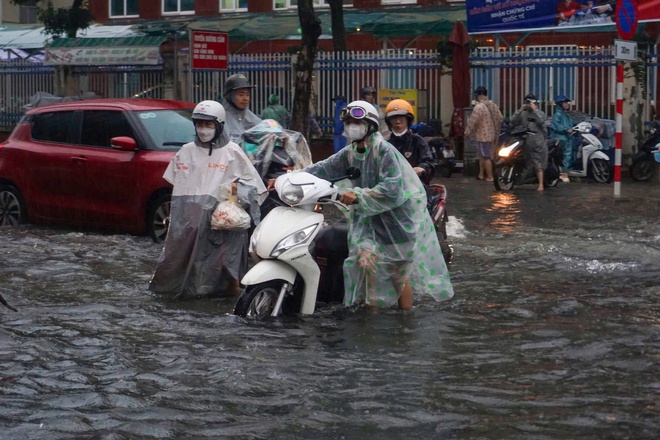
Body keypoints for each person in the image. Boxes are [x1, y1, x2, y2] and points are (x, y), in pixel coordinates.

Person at [270, 100, 454, 310]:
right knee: (364, 265)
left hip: (395, 222)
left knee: (397, 275)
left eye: (356, 121)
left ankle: (406, 322)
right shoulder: (350, 152)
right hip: (366, 221)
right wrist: (288, 178)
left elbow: (392, 188)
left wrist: (358, 195)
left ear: (370, 125)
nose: (351, 126)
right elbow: (323, 168)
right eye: (348, 122)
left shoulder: (385, 151)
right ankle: (369, 316)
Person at [149, 100, 267, 298]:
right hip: (189, 220)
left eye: (208, 125)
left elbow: (255, 187)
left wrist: (236, 193)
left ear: (219, 125)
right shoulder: (186, 151)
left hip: (222, 220)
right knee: (182, 257)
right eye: (199, 124)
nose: (203, 130)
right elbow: (175, 185)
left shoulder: (232, 152)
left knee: (226, 262)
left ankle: (228, 291)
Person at [383, 98, 435, 186]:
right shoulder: (385, 144)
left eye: (401, 118)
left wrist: (422, 168)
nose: (398, 121)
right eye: (394, 118)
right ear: (389, 122)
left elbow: (429, 162)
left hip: (416, 187)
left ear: (408, 120)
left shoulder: (417, 141)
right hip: (391, 187)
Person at [464, 86, 503, 182]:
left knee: (486, 156)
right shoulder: (493, 105)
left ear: (479, 95)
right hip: (493, 136)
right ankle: (481, 174)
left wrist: (467, 132)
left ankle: (490, 177)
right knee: (482, 156)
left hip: (483, 136)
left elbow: (473, 121)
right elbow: (501, 118)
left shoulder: (479, 107)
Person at [511, 93, 549, 191]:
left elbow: (541, 121)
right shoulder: (523, 113)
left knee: (537, 162)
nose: (528, 104)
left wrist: (534, 110)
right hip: (525, 141)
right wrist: (519, 111)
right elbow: (513, 121)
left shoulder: (540, 113)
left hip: (537, 142)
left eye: (530, 102)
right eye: (527, 102)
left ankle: (541, 184)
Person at [220, 73, 262, 144]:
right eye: (241, 94)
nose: (245, 98)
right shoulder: (221, 119)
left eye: (247, 94)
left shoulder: (251, 118)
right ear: (230, 95)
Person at [549, 94, 576, 181]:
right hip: (561, 138)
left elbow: (571, 123)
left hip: (567, 137)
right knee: (566, 155)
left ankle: (565, 172)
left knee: (569, 155)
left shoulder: (565, 114)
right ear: (560, 104)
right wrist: (566, 129)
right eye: (565, 103)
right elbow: (556, 125)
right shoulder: (558, 114)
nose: (567, 104)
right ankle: (564, 174)